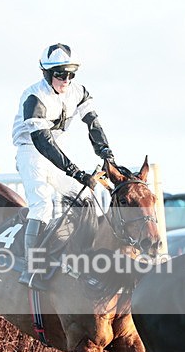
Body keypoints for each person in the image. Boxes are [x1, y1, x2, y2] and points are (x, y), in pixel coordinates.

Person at [12, 43, 115, 289]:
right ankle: (32, 269)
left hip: (59, 150)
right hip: (32, 151)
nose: (66, 79)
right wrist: (77, 172)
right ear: (46, 73)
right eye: (60, 74)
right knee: (42, 206)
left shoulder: (78, 91)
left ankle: (81, 262)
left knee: (86, 199)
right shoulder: (34, 97)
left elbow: (92, 123)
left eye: (71, 74)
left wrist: (106, 154)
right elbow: (43, 142)